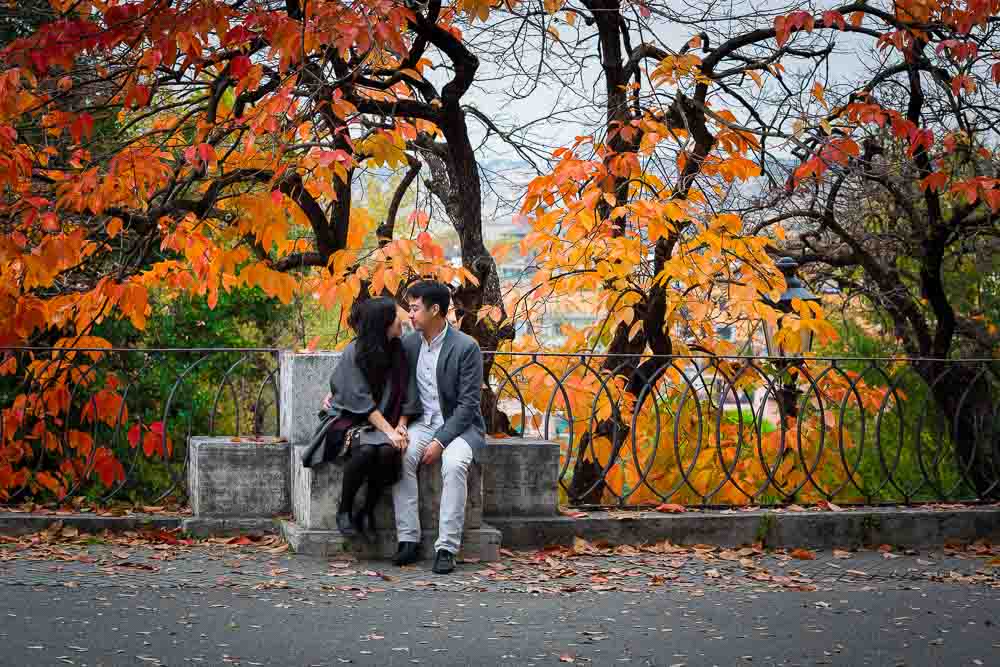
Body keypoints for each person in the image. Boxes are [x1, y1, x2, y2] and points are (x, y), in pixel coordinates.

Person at [301, 297, 420, 541]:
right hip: (350, 418)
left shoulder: (399, 349)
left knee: (388, 452)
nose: (402, 319)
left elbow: (409, 391)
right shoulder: (354, 351)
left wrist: (401, 425)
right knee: (367, 450)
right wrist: (389, 431)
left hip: (389, 418)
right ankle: (344, 510)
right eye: (396, 316)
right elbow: (360, 400)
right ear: (383, 323)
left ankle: (367, 511)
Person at [392, 280, 487, 574]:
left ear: (435, 310)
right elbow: (376, 362)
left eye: (415, 308)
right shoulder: (408, 344)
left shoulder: (466, 347)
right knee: (401, 456)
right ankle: (408, 540)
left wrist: (441, 441)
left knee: (455, 464)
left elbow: (469, 406)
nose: (410, 314)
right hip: (422, 423)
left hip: (460, 427)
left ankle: (446, 547)